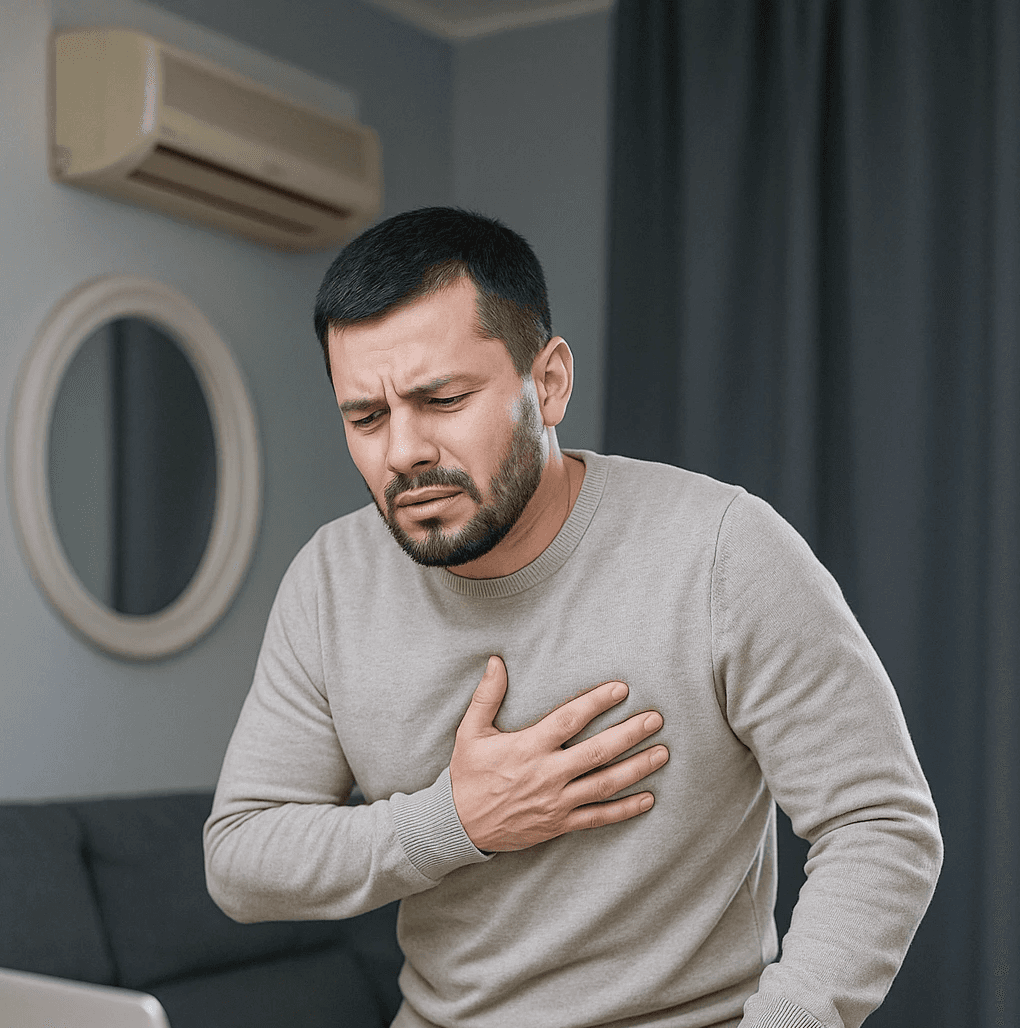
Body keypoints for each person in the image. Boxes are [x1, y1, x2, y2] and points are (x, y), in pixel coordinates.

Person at [204, 207, 942, 1028]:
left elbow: (880, 824)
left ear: (548, 382)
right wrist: (455, 823)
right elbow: (241, 860)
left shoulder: (723, 550)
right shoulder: (329, 581)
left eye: (442, 398)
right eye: (365, 418)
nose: (402, 451)